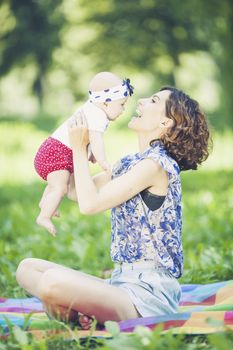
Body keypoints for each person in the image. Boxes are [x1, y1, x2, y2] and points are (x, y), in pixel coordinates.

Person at [16, 86, 211, 330]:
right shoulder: (131, 163)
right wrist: (74, 146)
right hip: (120, 283)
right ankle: (80, 313)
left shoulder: (156, 166)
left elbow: (90, 205)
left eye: (152, 100)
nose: (140, 102)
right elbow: (77, 192)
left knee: (51, 283)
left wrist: (78, 148)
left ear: (165, 122)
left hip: (148, 296)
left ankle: (76, 312)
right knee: (27, 268)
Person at [34, 72, 134, 236]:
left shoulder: (92, 109)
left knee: (65, 188)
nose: (123, 110)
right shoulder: (99, 115)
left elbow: (88, 140)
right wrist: (102, 161)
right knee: (60, 188)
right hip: (57, 153)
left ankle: (45, 203)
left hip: (56, 151)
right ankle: (44, 216)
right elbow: (96, 139)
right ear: (106, 102)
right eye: (122, 104)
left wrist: (91, 153)